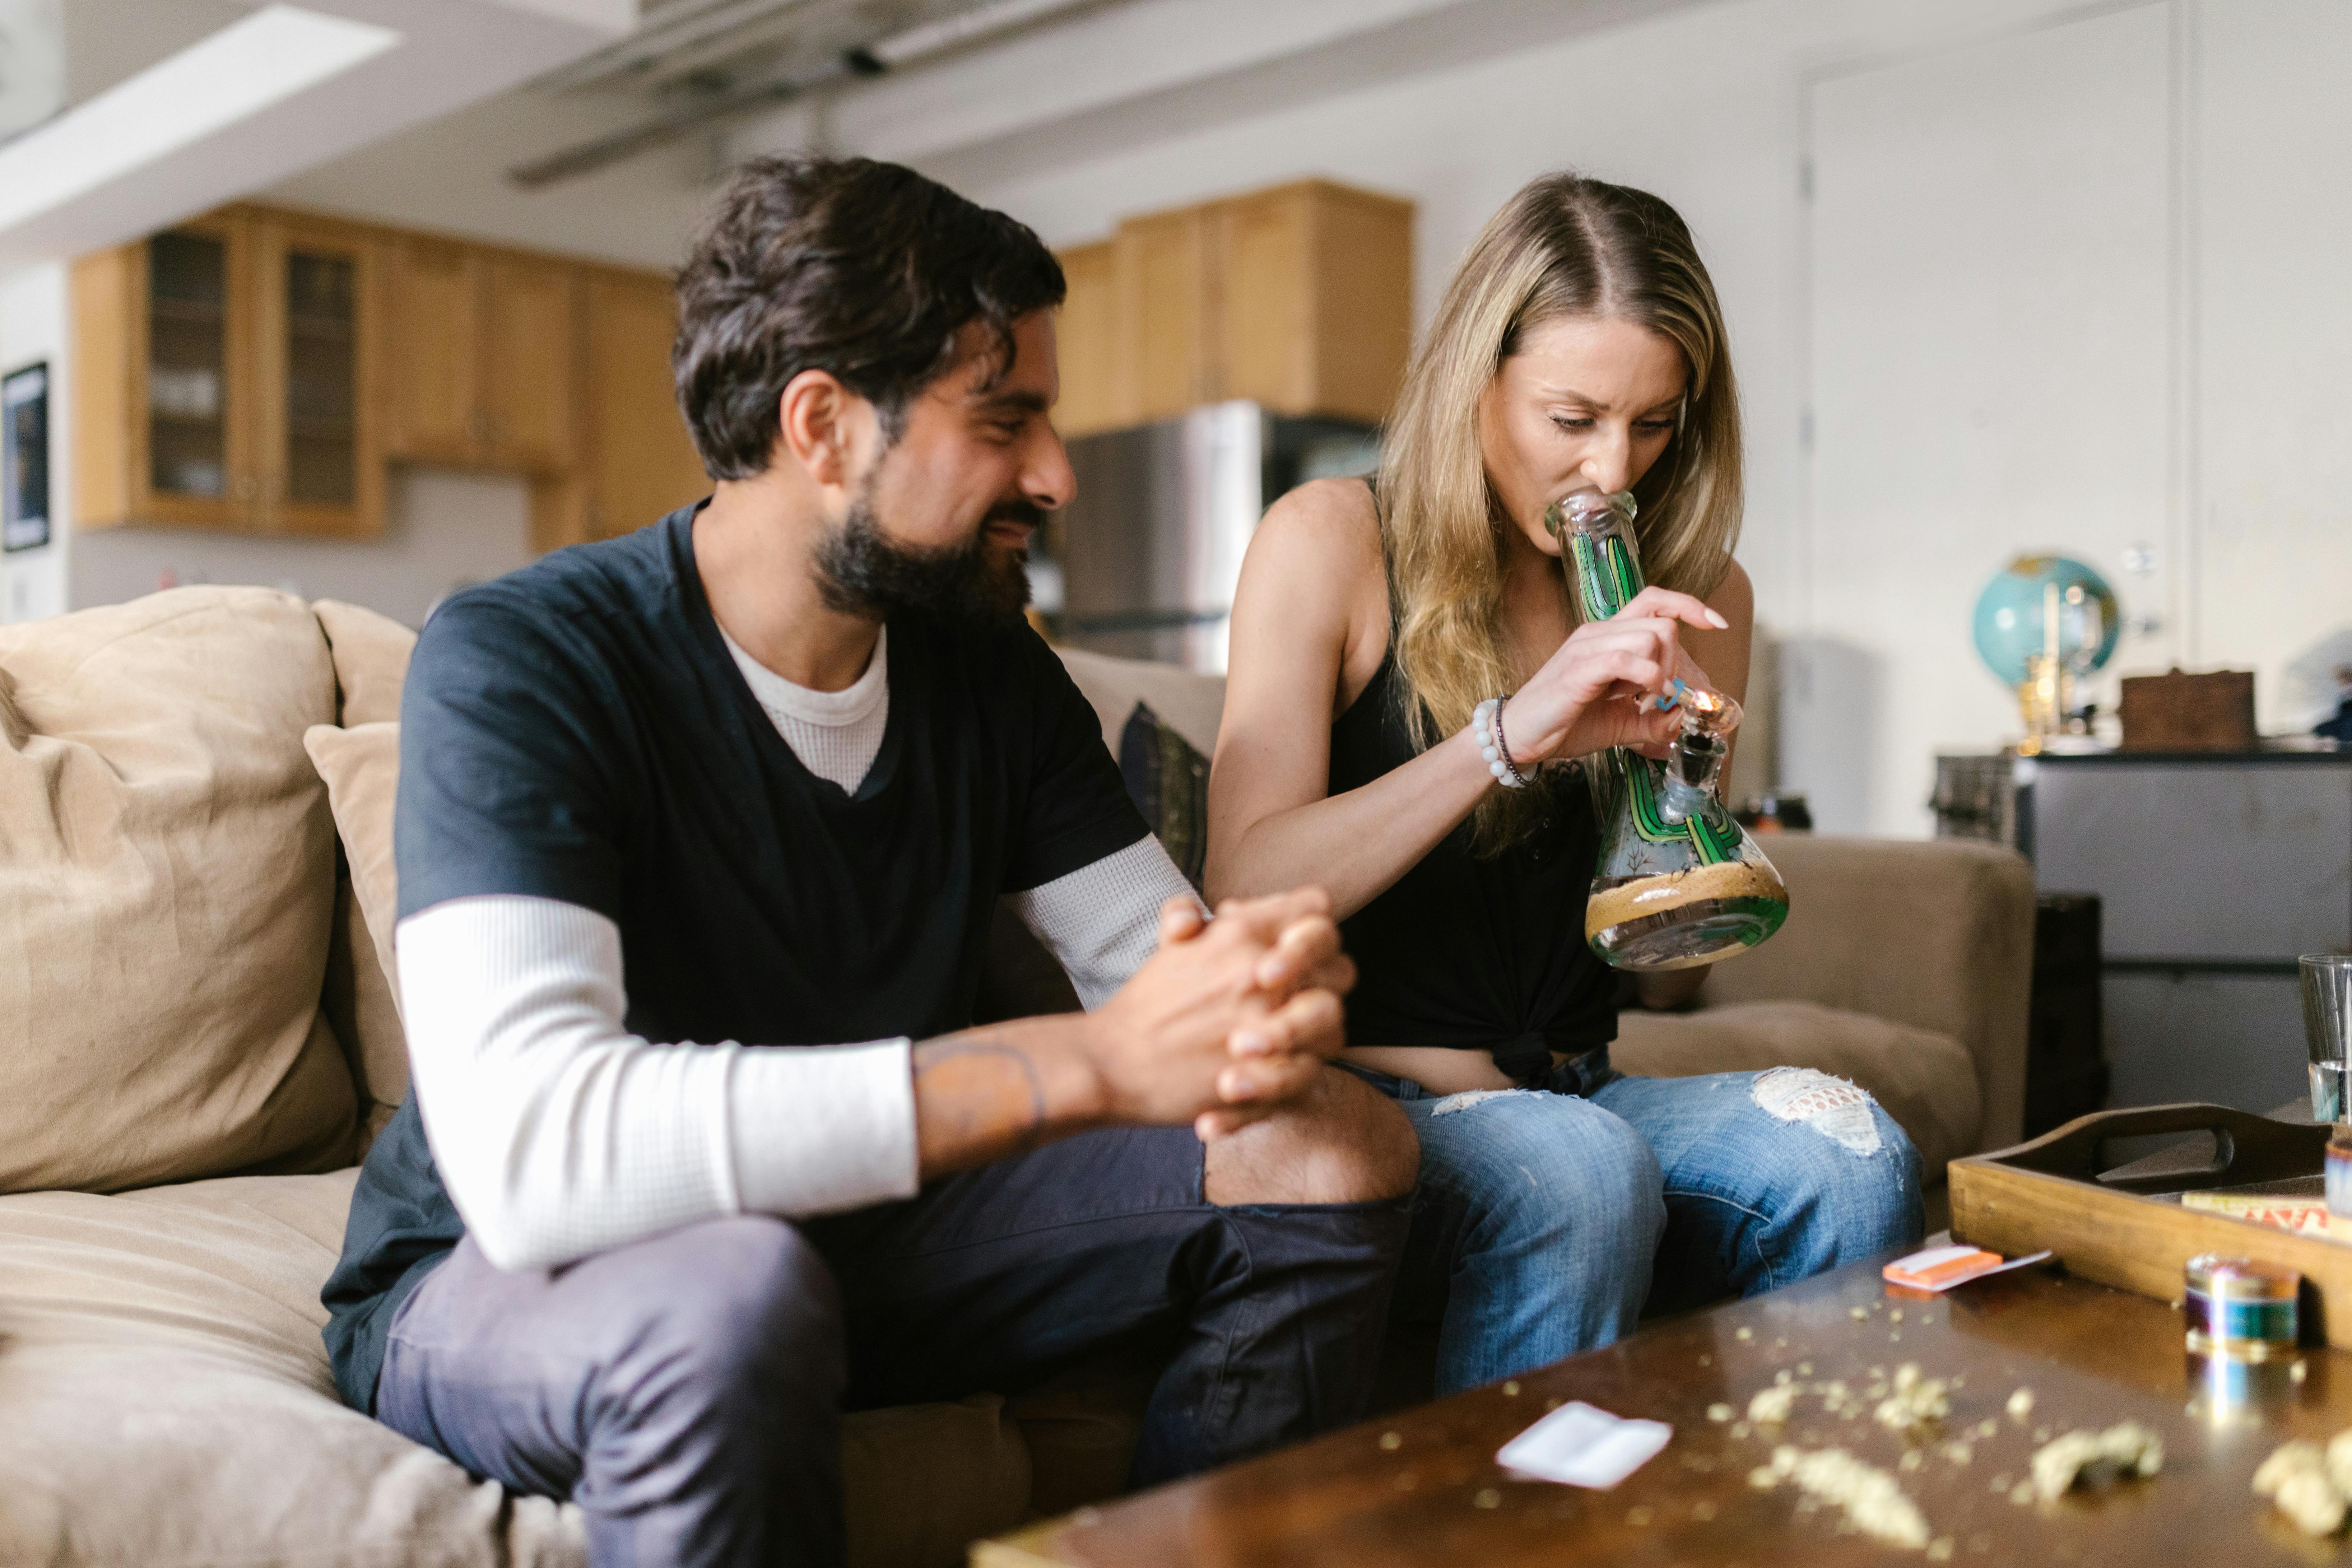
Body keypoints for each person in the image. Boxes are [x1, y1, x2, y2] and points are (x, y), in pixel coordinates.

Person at [320, 155, 1419, 1568]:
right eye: (1005, 421)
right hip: (514, 1271)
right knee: (726, 1295)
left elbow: (1166, 973)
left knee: (1333, 1143)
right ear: (824, 424)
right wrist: (1087, 1069)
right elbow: (534, 1155)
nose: (1057, 473)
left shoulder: (986, 670)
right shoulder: (530, 654)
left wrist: (1259, 1005)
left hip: (867, 1228)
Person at [1208, 171, 1920, 1398]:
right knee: (1576, 1172)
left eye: (1652, 425)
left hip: (1582, 1094)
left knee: (1854, 1156)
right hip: (1375, 1109)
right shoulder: (1329, 541)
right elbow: (1245, 890)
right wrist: (1511, 737)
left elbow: (1670, 977)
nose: (1612, 469)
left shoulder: (1702, 593)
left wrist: (1687, 807)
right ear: (1473, 380)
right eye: (1571, 417)